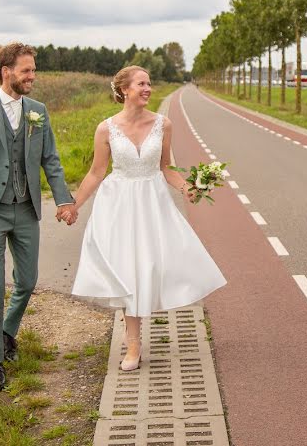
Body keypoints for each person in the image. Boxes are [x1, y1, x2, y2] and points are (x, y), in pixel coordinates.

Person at [70, 65, 226, 371]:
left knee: (156, 265)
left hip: (152, 203)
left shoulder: (163, 124)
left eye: (149, 84)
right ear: (124, 89)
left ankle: (145, 331)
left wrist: (186, 188)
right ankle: (133, 346)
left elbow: (166, 167)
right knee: (127, 271)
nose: (148, 89)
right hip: (119, 206)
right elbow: (96, 172)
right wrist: (72, 204)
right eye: (142, 84)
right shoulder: (106, 129)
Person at [0, 42, 78, 389]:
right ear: (7, 73)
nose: (33, 76)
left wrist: (64, 200)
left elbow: (50, 159)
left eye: (34, 70)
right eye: (27, 70)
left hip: (26, 209)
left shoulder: (38, 110)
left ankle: (6, 332)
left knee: (27, 281)